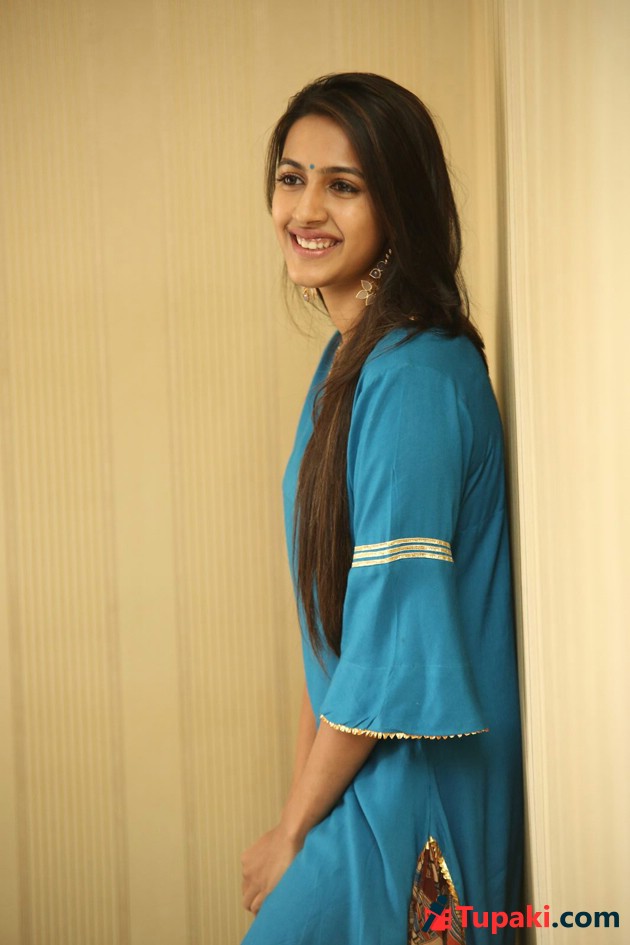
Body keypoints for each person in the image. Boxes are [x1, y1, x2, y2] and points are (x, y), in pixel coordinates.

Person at [240, 72, 523, 945]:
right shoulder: (348, 364)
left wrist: (295, 830)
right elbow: (332, 624)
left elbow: (393, 649)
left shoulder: (415, 377)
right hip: (356, 776)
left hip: (416, 787)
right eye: (292, 178)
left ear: (398, 205)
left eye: (344, 185)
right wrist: (301, 815)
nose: (306, 208)